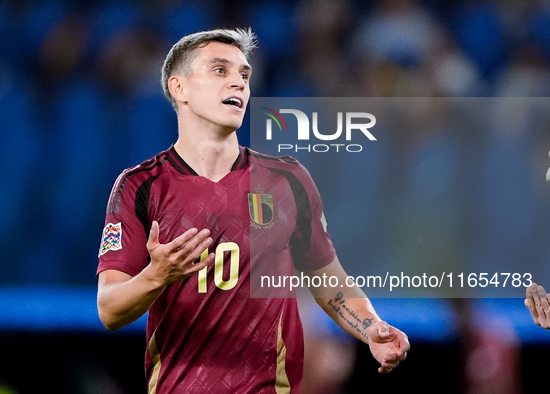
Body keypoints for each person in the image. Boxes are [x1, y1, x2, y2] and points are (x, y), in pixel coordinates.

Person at [96, 28, 410, 393]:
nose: (238, 83)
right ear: (179, 88)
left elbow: (329, 280)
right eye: (220, 71)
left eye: (244, 75)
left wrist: (371, 327)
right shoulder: (141, 186)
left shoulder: (287, 180)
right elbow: (109, 310)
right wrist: (157, 275)